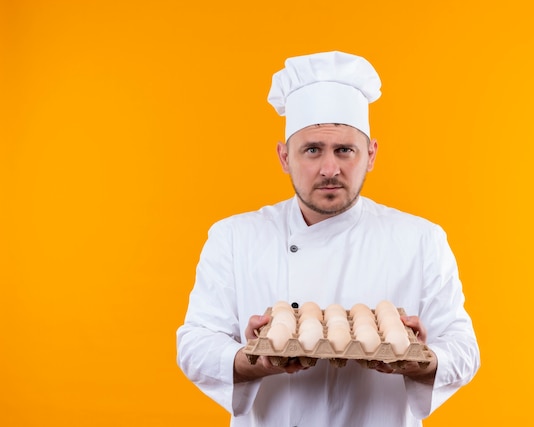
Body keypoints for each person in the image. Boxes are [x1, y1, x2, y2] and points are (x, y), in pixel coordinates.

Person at [176, 51, 480, 426]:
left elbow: (464, 349)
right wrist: (252, 360)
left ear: (370, 155)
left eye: (344, 150)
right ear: (284, 157)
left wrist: (422, 359)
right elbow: (194, 344)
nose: (329, 168)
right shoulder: (235, 238)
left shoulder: (421, 240)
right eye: (312, 150)